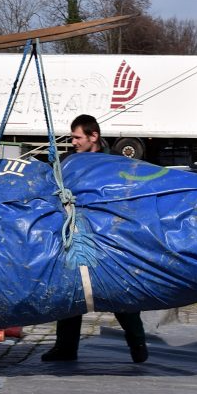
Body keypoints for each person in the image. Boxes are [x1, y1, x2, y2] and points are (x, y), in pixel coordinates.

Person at [41, 114, 148, 363]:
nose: (74, 141)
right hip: (78, 235)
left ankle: (138, 343)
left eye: (77, 137)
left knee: (119, 291)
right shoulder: (69, 162)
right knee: (71, 290)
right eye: (72, 137)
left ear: (93, 136)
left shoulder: (114, 164)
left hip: (109, 238)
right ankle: (66, 348)